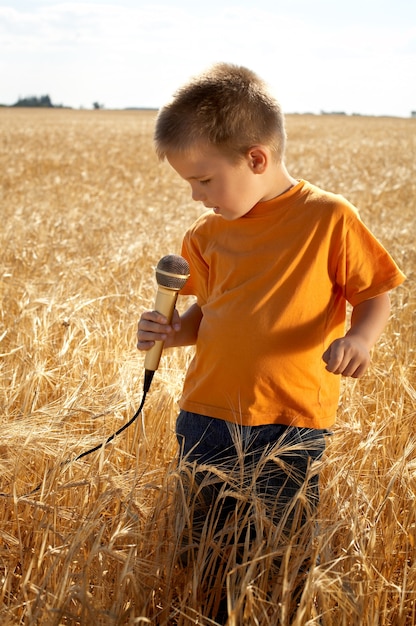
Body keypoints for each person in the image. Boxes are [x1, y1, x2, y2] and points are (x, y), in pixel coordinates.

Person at [137, 63, 405, 623]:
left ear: (255, 159)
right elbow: (204, 314)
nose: (194, 195)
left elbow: (377, 291)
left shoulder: (328, 218)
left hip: (290, 421)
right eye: (188, 183)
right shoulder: (207, 235)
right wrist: (171, 330)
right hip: (205, 414)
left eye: (204, 180)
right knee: (206, 551)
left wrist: (361, 337)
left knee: (279, 555)